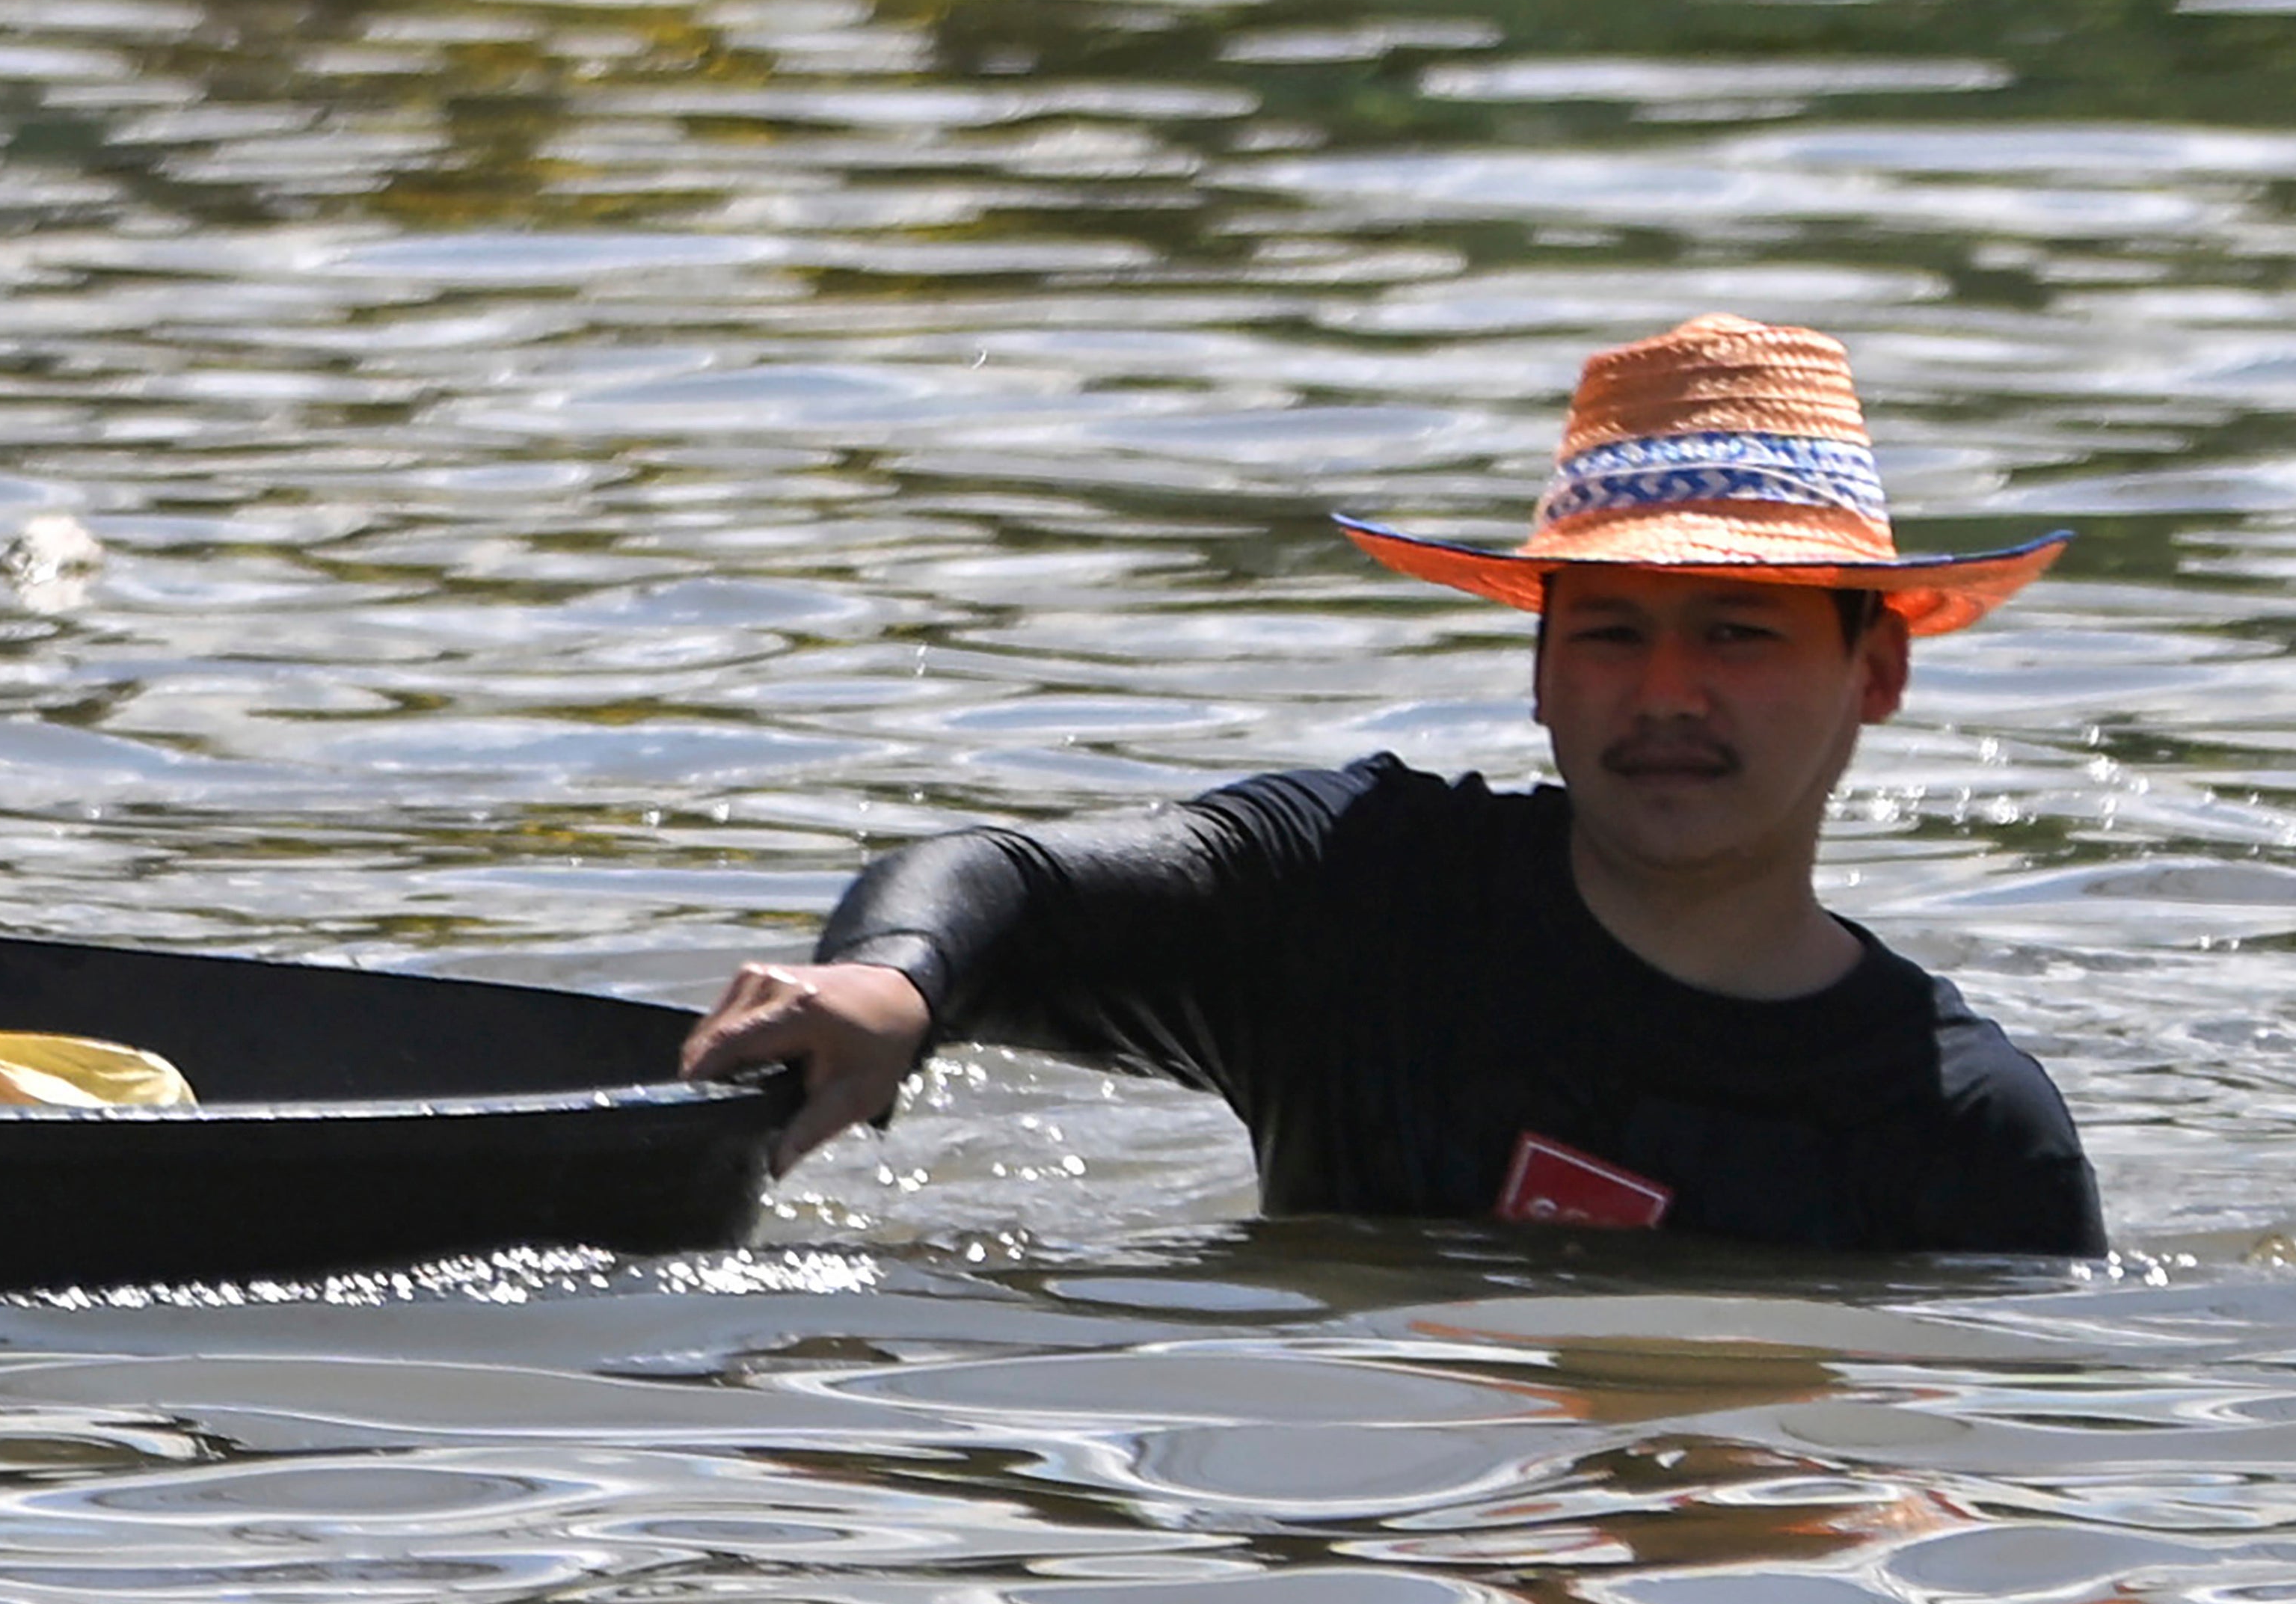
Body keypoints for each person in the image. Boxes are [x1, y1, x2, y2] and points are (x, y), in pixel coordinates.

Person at [681, 315, 2102, 1254]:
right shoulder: (1358, 898)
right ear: (1541, 672)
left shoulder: (1969, 1137)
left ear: (1876, 676)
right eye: (1611, 631)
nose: (1668, 691)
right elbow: (1010, 887)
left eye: (1738, 631)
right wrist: (892, 985)